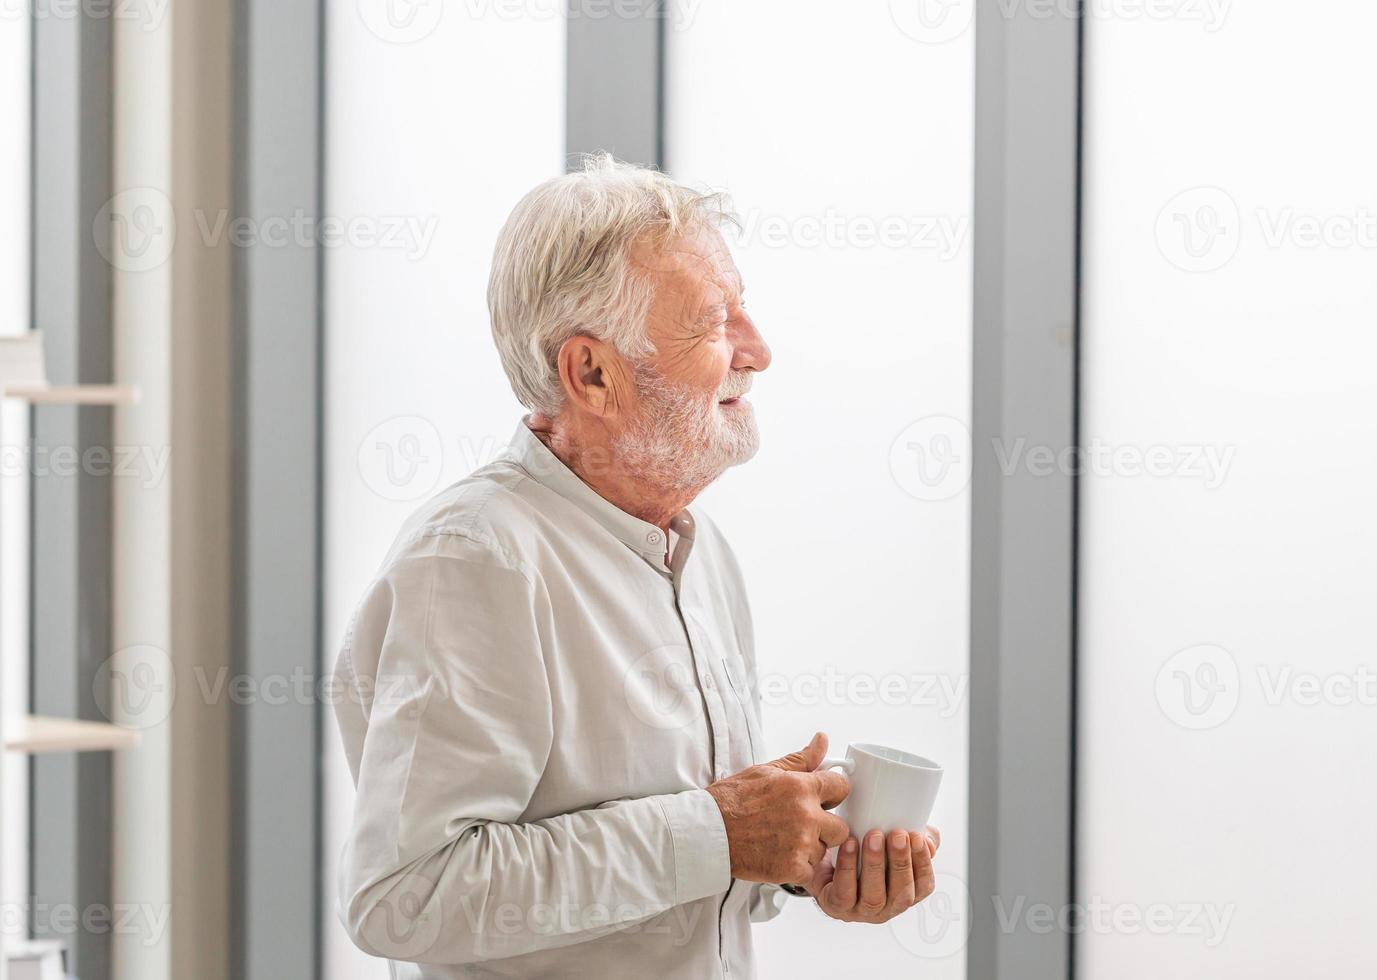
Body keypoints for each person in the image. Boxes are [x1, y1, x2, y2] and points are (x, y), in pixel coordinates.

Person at [331, 154, 941, 979]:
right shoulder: (474, 562)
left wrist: (806, 855)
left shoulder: (697, 550)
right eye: (714, 322)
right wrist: (720, 831)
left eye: (744, 313)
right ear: (591, 372)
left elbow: (688, 869)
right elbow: (405, 898)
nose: (758, 352)